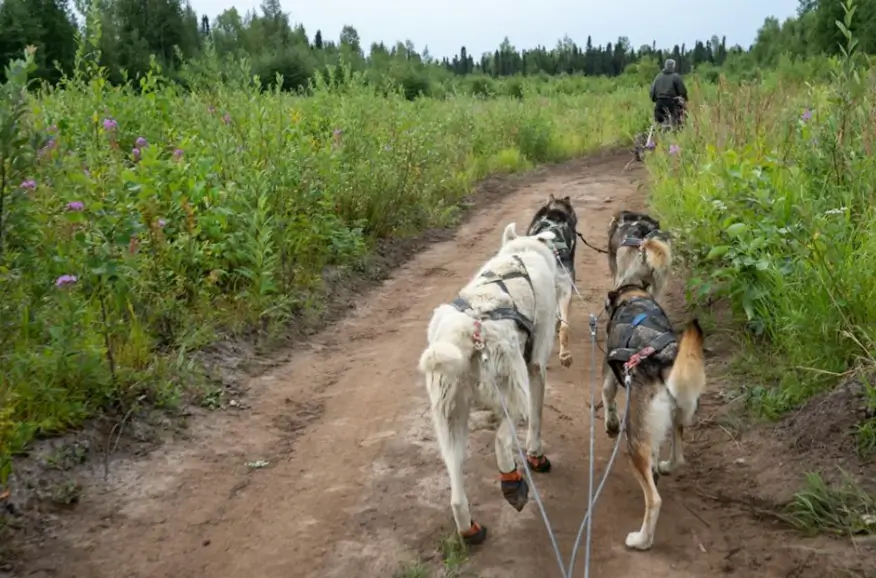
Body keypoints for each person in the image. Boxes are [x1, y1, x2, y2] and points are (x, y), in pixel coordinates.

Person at [649, 58, 688, 128]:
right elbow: (683, 91)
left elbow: (652, 92)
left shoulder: (658, 77)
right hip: (672, 103)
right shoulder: (676, 77)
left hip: (659, 103)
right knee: (676, 124)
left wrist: (657, 100)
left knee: (658, 124)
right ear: (673, 67)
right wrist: (685, 101)